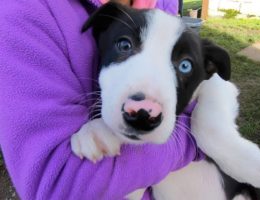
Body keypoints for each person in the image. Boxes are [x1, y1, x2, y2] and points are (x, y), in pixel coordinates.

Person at [0, 0, 198, 199]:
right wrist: (196, 136)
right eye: (125, 45)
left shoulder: (164, 3)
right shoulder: (24, 9)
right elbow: (60, 185)